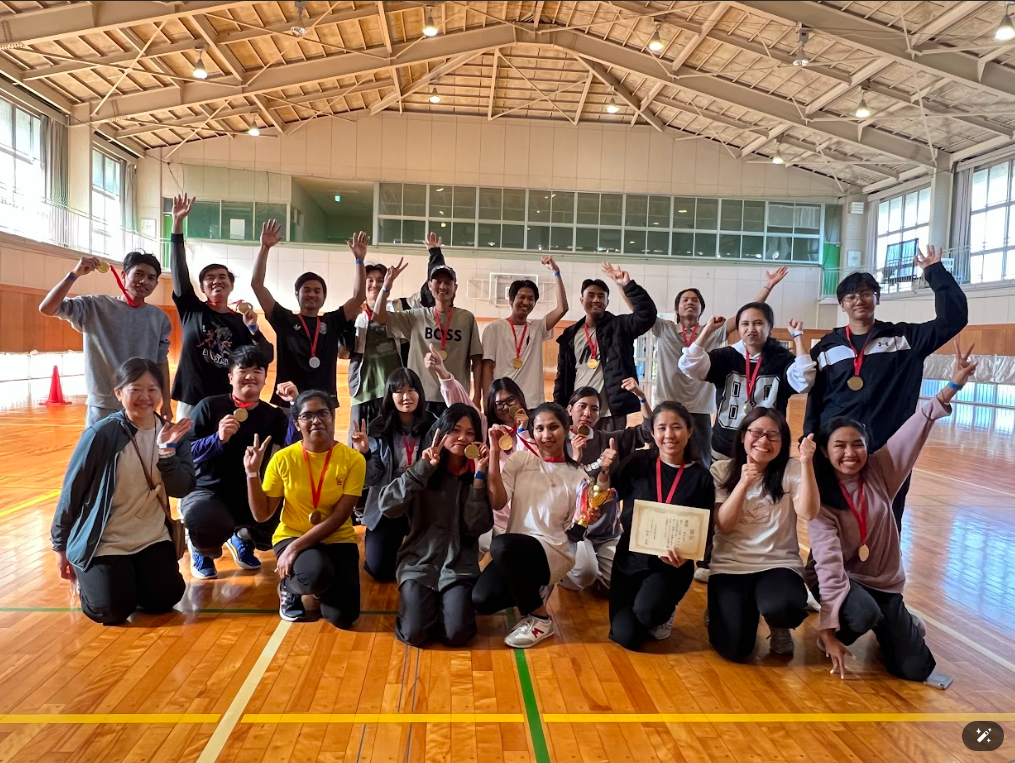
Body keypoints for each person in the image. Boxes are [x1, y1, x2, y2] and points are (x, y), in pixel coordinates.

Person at [807, 341, 976, 683]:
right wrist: (827, 629)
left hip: (883, 583)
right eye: (839, 445)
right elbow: (827, 564)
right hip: (841, 579)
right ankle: (843, 631)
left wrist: (953, 385)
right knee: (863, 613)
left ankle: (895, 626)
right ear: (824, 452)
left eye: (857, 444)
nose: (850, 453)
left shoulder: (882, 470)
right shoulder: (820, 495)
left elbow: (918, 425)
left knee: (914, 669)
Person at [804, 246, 968, 529]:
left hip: (889, 448)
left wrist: (935, 272)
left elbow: (953, 319)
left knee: (888, 519)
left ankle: (887, 560)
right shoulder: (826, 348)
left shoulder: (904, 339)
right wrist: (809, 436)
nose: (859, 300)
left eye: (866, 293)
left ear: (877, 298)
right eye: (851, 296)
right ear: (842, 304)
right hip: (838, 448)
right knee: (833, 517)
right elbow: (816, 398)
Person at [51, 359, 193, 625]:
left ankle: (131, 581)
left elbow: (181, 488)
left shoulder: (174, 435)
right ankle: (92, 582)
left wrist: (167, 453)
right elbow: (72, 491)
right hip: (105, 540)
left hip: (152, 536)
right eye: (135, 389)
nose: (145, 397)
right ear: (118, 393)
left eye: (152, 389)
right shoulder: (102, 434)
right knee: (111, 611)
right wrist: (60, 546)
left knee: (164, 599)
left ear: (161, 394)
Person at [473, 403, 613, 648]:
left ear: (567, 429)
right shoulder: (521, 460)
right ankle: (532, 588)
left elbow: (579, 524)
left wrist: (587, 516)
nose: (546, 435)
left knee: (501, 544)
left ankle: (540, 618)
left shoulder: (577, 475)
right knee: (481, 600)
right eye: (539, 429)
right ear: (533, 432)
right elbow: (497, 502)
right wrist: (494, 451)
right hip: (516, 550)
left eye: (553, 427)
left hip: (553, 552)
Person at [374, 403, 493, 647]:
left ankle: (445, 608)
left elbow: (475, 527)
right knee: (414, 634)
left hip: (458, 568)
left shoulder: (476, 476)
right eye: (455, 430)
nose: (462, 438)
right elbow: (387, 505)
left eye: (470, 433)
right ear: (442, 431)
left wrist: (479, 477)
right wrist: (422, 469)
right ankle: (426, 608)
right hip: (418, 564)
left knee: (457, 634)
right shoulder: (425, 468)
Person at [244, 390, 365, 626]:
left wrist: (295, 548)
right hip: (293, 535)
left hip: (337, 537)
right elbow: (262, 514)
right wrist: (252, 473)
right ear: (297, 424)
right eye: (307, 416)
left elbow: (340, 516)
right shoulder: (283, 459)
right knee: (315, 574)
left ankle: (321, 582)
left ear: (332, 418)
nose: (316, 420)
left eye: (323, 413)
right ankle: (289, 587)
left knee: (344, 617)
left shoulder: (353, 460)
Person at [707, 409, 819, 661]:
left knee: (784, 607)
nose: (764, 441)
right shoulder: (721, 470)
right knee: (735, 650)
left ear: (783, 440)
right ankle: (726, 609)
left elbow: (809, 512)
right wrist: (743, 483)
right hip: (730, 566)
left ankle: (779, 625)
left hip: (777, 564)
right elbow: (724, 524)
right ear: (742, 436)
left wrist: (806, 463)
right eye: (756, 433)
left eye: (773, 435)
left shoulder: (791, 469)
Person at [648, 268, 788, 468]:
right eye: (685, 300)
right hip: (667, 402)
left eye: (695, 300)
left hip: (700, 407)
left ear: (701, 309)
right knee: (662, 456)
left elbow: (744, 315)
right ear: (676, 309)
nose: (690, 302)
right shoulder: (664, 328)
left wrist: (769, 286)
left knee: (704, 459)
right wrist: (622, 285)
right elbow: (641, 312)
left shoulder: (713, 330)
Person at [606, 402, 715, 651]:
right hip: (630, 559)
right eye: (662, 428)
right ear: (653, 433)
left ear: (689, 431)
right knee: (626, 636)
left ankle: (662, 611)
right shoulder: (637, 462)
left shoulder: (701, 477)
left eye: (676, 427)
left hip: (671, 565)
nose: (669, 435)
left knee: (648, 613)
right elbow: (607, 492)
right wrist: (604, 470)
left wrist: (687, 556)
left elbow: (705, 529)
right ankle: (648, 610)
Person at [182, 346, 294, 579]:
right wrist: (217, 439)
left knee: (286, 509)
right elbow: (186, 454)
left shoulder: (272, 415)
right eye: (243, 370)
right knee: (205, 518)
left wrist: (295, 405)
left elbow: (293, 446)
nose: (250, 376)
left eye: (258, 371)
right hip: (209, 490)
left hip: (251, 490)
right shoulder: (208, 406)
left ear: (265, 379)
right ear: (230, 377)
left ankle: (242, 537)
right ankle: (201, 549)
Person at [169, 194, 274, 418]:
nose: (216, 281)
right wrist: (177, 224)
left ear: (231, 284)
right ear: (202, 287)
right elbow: (179, 270)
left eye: (222, 277)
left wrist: (253, 328)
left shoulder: (240, 322)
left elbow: (266, 355)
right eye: (210, 278)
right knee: (186, 442)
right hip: (191, 400)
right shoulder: (192, 310)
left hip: (225, 403)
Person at [39, 251, 172, 426]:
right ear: (123, 275)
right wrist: (74, 275)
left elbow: (161, 362)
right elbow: (48, 308)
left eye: (151, 278)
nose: (144, 281)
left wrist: (166, 401)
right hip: (102, 407)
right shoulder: (94, 306)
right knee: (98, 445)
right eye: (138, 274)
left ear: (155, 283)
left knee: (141, 445)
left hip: (143, 404)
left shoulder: (159, 318)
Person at [423, 345, 532, 555]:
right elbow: (459, 401)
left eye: (510, 400)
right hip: (491, 511)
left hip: (522, 514)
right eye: (498, 403)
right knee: (481, 544)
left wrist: (523, 431)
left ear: (520, 399)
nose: (505, 407)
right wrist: (442, 373)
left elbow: (530, 465)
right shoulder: (484, 426)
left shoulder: (534, 430)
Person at [679, 303, 815, 461]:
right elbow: (688, 365)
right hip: (724, 447)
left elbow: (805, 380)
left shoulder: (782, 359)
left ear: (770, 327)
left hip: (766, 446)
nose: (751, 329)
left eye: (758, 323)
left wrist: (798, 336)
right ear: (738, 328)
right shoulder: (726, 356)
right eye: (745, 324)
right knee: (721, 477)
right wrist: (708, 330)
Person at [250, 218, 362, 408]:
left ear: (324, 296)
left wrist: (359, 260)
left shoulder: (332, 321)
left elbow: (359, 297)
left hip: (323, 402)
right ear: (297, 294)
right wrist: (264, 248)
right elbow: (257, 285)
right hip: (288, 401)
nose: (312, 294)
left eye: (317, 291)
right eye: (306, 290)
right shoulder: (284, 319)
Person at [348, 232, 450, 430]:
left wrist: (435, 253)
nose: (375, 284)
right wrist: (359, 260)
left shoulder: (401, 307)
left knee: (396, 441)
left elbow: (430, 292)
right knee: (360, 443)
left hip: (397, 393)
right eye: (370, 280)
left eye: (380, 279)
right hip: (364, 394)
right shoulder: (354, 316)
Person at [559, 383, 652, 595]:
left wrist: (641, 396)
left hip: (606, 532)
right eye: (582, 406)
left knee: (619, 585)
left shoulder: (610, 440)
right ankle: (565, 572)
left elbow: (648, 431)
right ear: (570, 409)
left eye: (594, 409)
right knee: (585, 573)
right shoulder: (559, 442)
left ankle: (595, 570)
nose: (587, 413)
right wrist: (575, 458)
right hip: (574, 530)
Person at [371, 250, 483, 415]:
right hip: (421, 397)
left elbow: (477, 359)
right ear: (430, 286)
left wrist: (477, 397)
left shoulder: (466, 318)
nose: (443, 286)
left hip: (455, 396)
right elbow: (378, 316)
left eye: (448, 282)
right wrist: (386, 285)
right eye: (438, 282)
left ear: (455, 287)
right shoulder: (415, 317)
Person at [353, 368, 436, 582]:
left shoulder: (432, 424)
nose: (406, 396)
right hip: (388, 505)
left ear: (420, 393)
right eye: (399, 391)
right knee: (380, 571)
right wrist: (364, 453)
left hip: (421, 504)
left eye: (411, 390)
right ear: (390, 396)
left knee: (428, 569)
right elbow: (371, 479)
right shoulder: (378, 427)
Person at [554, 263, 657, 430]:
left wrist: (627, 285)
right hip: (579, 412)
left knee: (612, 447)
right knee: (579, 447)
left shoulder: (620, 327)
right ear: (582, 300)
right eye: (591, 295)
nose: (596, 299)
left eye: (601, 296)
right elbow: (563, 376)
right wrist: (559, 409)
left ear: (607, 302)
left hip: (611, 412)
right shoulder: (570, 335)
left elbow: (647, 315)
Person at [481, 256, 568, 405]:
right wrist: (488, 402)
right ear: (511, 300)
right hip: (503, 403)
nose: (526, 302)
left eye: (531, 298)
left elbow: (562, 308)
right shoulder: (493, 329)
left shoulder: (537, 328)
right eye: (521, 297)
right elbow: (487, 368)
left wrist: (556, 272)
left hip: (532, 403)